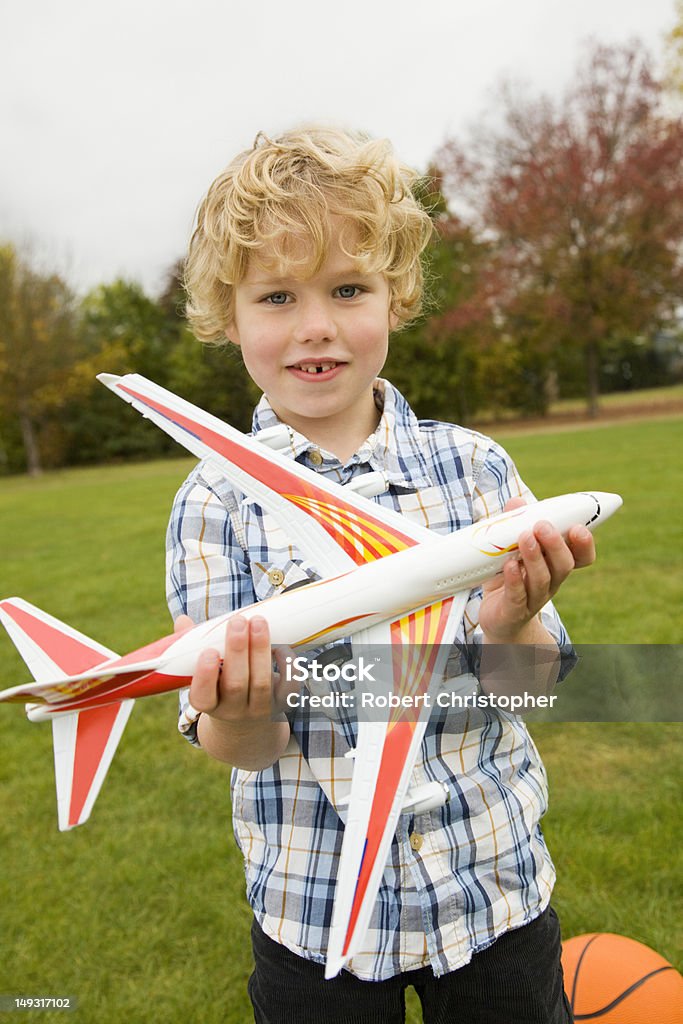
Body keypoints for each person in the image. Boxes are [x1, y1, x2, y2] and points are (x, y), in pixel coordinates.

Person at [166, 126, 595, 1024]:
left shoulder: (475, 471)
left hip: (492, 892)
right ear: (228, 316)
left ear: (395, 299)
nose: (314, 324)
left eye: (347, 288)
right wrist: (241, 711)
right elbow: (237, 749)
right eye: (276, 296)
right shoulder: (213, 503)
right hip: (314, 917)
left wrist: (514, 620)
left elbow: (530, 688)